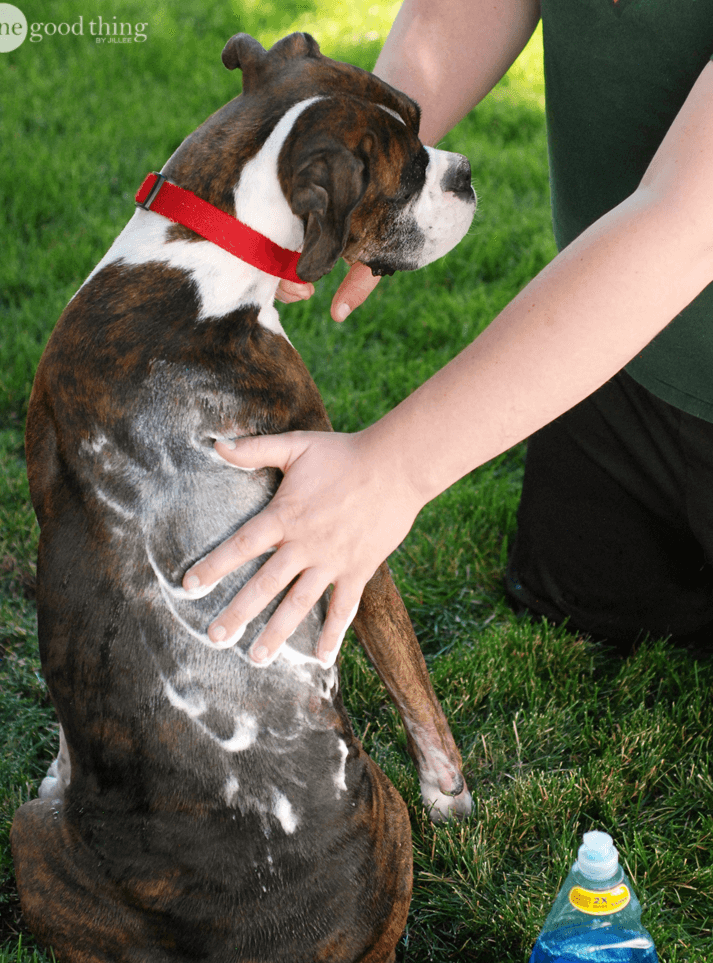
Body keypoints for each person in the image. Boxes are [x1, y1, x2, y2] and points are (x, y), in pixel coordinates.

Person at [183, 0, 713, 665]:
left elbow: (688, 224)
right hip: (619, 370)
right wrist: (372, 176)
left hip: (668, 272)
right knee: (580, 604)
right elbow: (453, 12)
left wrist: (388, 471)